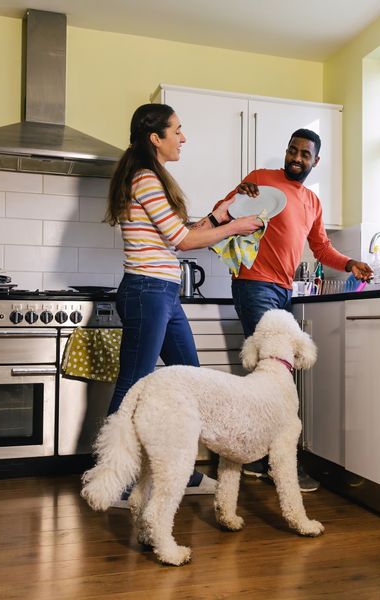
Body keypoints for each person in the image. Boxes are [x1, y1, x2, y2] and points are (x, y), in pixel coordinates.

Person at [105, 103, 263, 505]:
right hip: (147, 290)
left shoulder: (154, 177)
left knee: (190, 379)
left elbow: (180, 233)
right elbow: (182, 241)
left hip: (162, 292)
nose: (183, 137)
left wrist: (219, 214)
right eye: (177, 130)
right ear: (155, 138)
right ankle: (117, 480)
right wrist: (237, 227)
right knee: (133, 384)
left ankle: (183, 471)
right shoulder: (145, 178)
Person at [212, 128, 373, 492]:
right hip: (254, 285)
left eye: (305, 155)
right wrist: (241, 196)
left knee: (271, 377)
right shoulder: (260, 181)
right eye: (292, 151)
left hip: (283, 291)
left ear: (315, 161)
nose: (296, 159)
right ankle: (273, 462)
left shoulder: (312, 202)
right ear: (286, 151)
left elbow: (321, 248)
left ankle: (257, 459)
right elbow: (221, 215)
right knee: (275, 377)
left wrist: (350, 264)